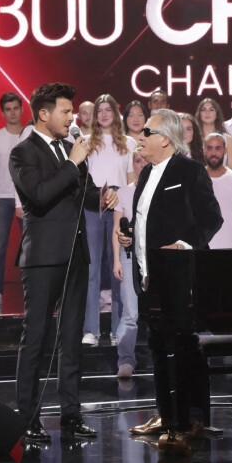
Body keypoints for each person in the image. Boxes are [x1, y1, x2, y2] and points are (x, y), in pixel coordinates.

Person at [9, 83, 118, 442]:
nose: (72, 117)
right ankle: (28, 418)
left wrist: (102, 196)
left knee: (71, 339)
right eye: (65, 111)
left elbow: (83, 194)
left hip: (76, 256)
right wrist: (72, 163)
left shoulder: (72, 151)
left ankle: (71, 415)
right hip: (42, 259)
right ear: (43, 114)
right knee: (37, 337)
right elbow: (39, 196)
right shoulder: (22, 152)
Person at [118, 109, 222, 453]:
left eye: (146, 131)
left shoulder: (189, 171)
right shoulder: (146, 174)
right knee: (158, 345)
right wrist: (131, 236)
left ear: (165, 138)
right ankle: (166, 414)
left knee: (182, 344)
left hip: (179, 275)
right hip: (150, 275)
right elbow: (147, 220)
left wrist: (186, 243)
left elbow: (211, 217)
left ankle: (189, 419)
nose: (140, 136)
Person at [82, 95, 135, 346]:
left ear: (115, 113)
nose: (103, 114)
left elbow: (131, 180)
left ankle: (118, 330)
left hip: (119, 202)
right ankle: (91, 329)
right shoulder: (86, 143)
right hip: (94, 202)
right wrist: (96, 199)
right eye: (99, 110)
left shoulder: (128, 142)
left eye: (108, 110)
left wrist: (124, 205)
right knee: (91, 268)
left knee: (119, 268)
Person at [111, 148, 148, 378]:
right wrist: (116, 260)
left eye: (145, 160)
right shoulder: (123, 193)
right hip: (128, 257)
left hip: (154, 257)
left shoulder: (158, 192)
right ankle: (125, 360)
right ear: (132, 164)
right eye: (137, 160)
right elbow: (117, 229)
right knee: (130, 312)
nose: (141, 164)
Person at [0, 92, 24, 307]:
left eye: (15, 108)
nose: (12, 112)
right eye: (8, 109)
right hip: (1, 198)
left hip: (26, 200)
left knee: (30, 247)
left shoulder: (29, 136)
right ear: (3, 112)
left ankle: (33, 291)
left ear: (21, 109)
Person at [195, 97, 232, 169]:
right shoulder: (193, 137)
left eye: (211, 110)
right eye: (203, 110)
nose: (207, 113)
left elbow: (231, 168)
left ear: (217, 114)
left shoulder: (227, 139)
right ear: (199, 114)